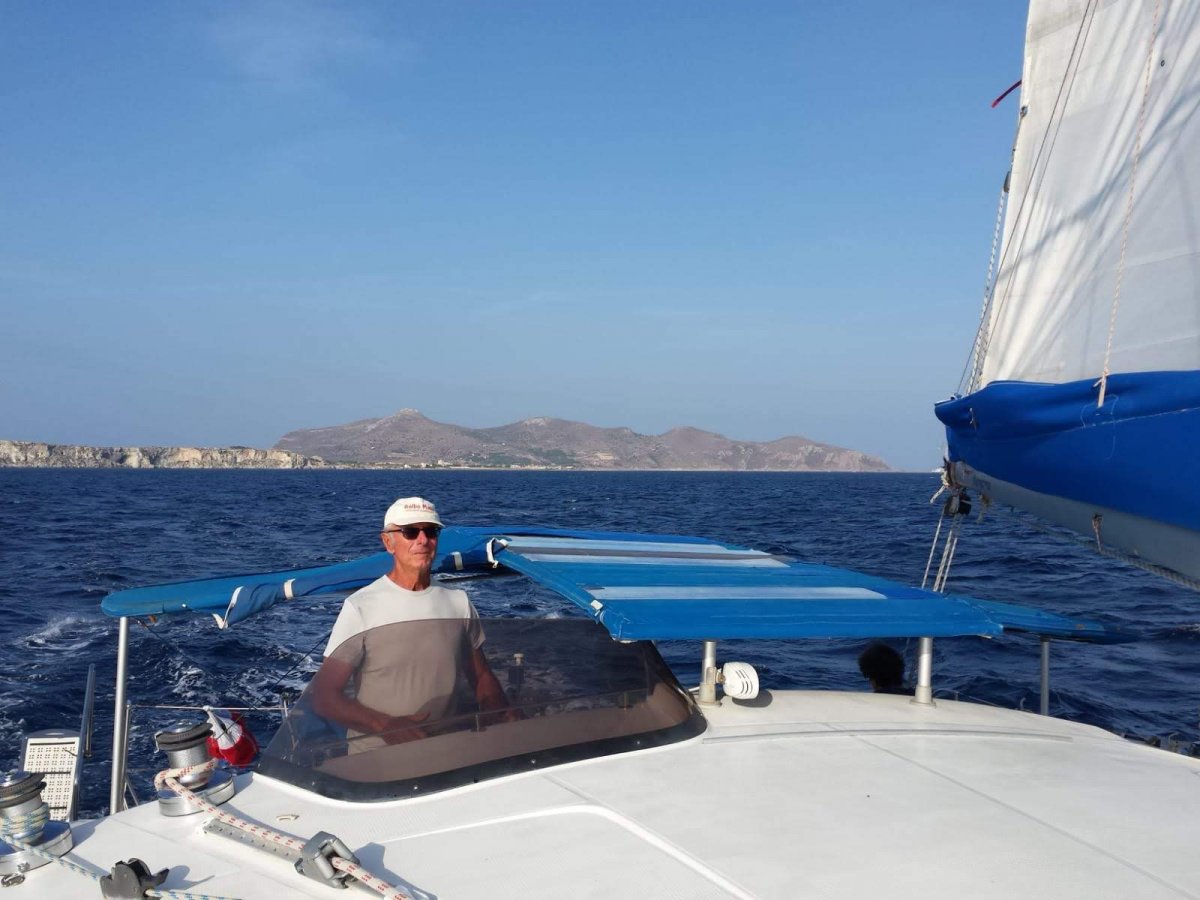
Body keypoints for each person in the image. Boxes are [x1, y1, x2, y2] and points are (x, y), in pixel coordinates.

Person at [310, 496, 510, 748]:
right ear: (388, 542)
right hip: (377, 760)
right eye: (410, 532)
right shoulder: (361, 607)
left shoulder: (458, 601)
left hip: (447, 752)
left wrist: (501, 714)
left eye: (431, 531)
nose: (423, 540)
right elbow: (324, 696)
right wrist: (385, 726)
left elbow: (481, 676)